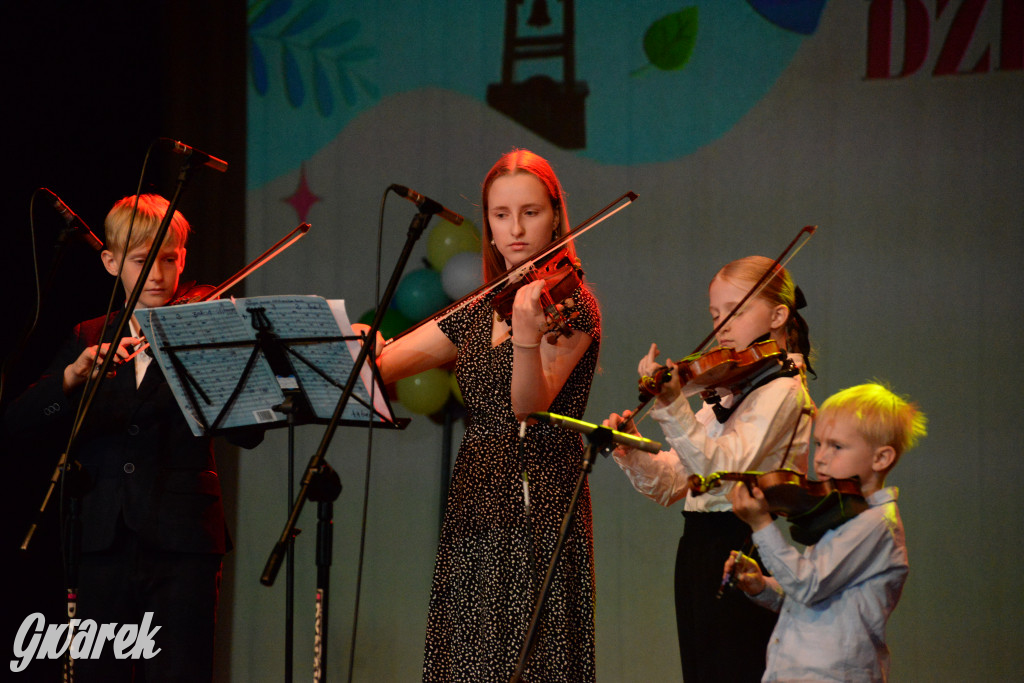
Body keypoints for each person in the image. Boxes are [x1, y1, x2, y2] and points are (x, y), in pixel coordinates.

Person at [368, 149, 601, 682]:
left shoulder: (573, 304)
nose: (515, 228)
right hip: (476, 495)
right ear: (489, 226)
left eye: (530, 212)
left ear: (555, 217)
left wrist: (524, 338)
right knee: (468, 658)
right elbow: (385, 364)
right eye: (500, 215)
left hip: (536, 498)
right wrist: (364, 346)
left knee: (527, 660)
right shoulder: (484, 304)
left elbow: (529, 405)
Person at [2, 194, 254, 682]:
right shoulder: (89, 334)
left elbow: (250, 434)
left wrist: (208, 368)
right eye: (143, 261)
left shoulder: (208, 329)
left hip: (183, 541)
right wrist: (73, 377)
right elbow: (18, 423)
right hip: (101, 536)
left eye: (169, 259)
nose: (159, 275)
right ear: (111, 262)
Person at [604, 255, 815, 682]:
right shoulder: (725, 391)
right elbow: (674, 483)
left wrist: (671, 405)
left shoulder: (784, 392)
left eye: (735, 311)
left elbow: (722, 469)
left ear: (777, 315)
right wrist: (632, 452)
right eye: (715, 314)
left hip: (746, 546)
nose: (721, 325)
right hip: (699, 547)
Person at [724, 382, 927, 682]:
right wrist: (763, 587)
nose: (820, 457)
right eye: (819, 444)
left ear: (881, 458)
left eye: (837, 446)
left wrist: (761, 525)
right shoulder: (838, 511)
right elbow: (812, 601)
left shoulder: (875, 524)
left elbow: (808, 585)